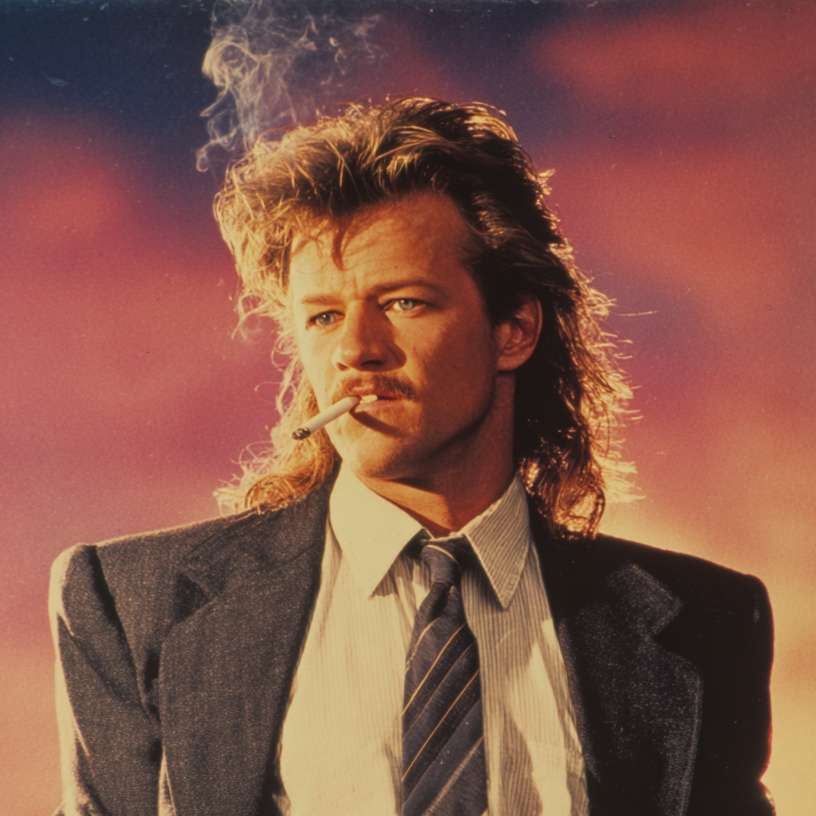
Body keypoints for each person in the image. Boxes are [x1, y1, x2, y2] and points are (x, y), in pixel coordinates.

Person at [49, 98, 774, 816]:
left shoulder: (706, 620)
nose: (354, 350)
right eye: (323, 316)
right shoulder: (131, 603)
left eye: (403, 302)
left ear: (515, 330)